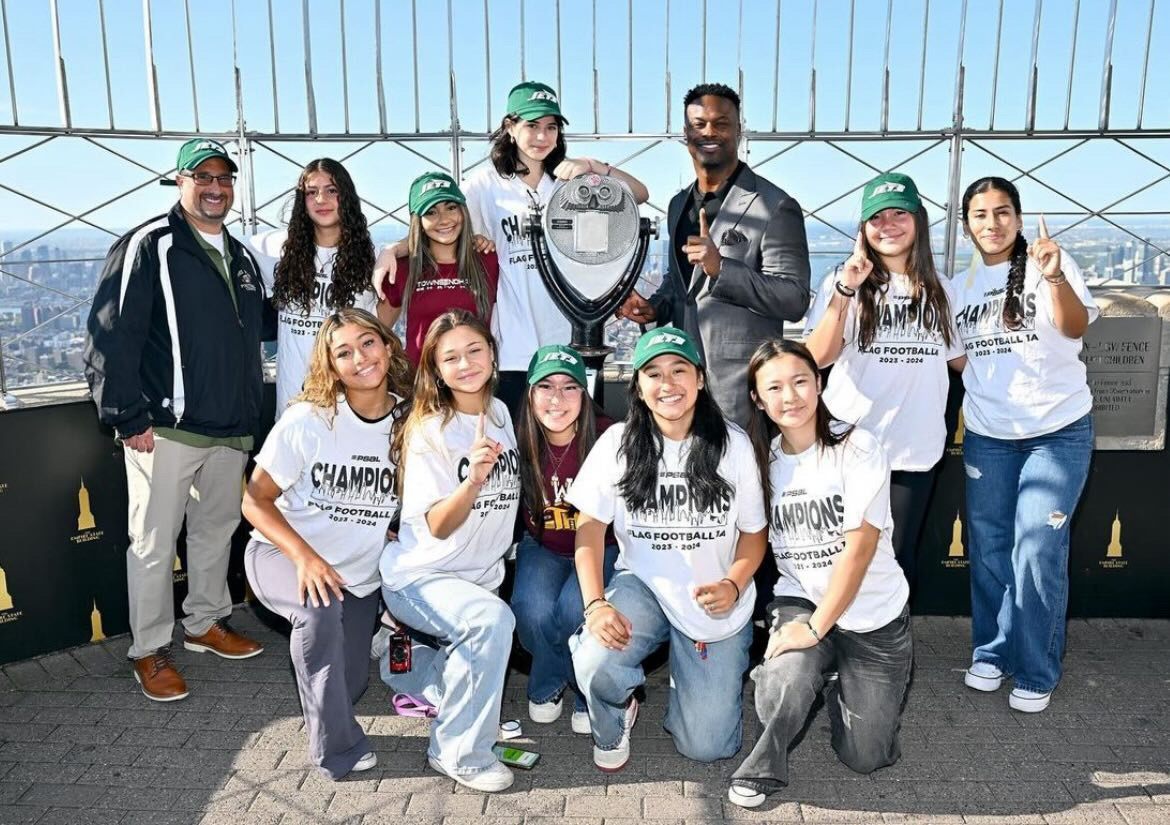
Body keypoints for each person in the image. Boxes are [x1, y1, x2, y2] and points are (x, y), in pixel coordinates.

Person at [84, 138, 270, 702]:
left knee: (216, 532)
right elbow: (111, 334)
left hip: (230, 425)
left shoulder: (240, 256)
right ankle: (148, 649)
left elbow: (260, 330)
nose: (215, 187)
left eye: (224, 178)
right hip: (163, 427)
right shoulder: (150, 244)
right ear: (180, 181)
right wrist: (125, 415)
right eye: (202, 177)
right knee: (154, 543)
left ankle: (205, 623)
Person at [568, 326, 768, 772]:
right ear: (638, 385)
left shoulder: (731, 444)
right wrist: (597, 605)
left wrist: (735, 584)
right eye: (653, 373)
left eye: (679, 370)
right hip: (644, 586)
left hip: (713, 601)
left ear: (700, 378)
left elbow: (754, 534)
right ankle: (615, 713)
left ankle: (690, 678)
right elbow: (589, 530)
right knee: (596, 660)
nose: (667, 383)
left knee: (708, 746)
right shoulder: (618, 442)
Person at [728, 339, 911, 809]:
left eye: (800, 381)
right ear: (758, 398)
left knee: (866, 756)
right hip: (802, 598)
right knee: (786, 676)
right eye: (774, 387)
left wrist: (815, 630)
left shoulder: (859, 446)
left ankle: (837, 683)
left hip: (873, 614)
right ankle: (764, 767)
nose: (790, 397)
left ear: (820, 383)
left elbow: (860, 550)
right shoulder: (760, 462)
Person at [241, 309, 411, 779]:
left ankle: (326, 688)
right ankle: (336, 751)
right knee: (317, 615)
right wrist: (305, 558)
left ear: (387, 344)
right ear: (331, 366)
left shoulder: (409, 421)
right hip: (283, 554)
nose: (360, 358)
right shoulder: (307, 421)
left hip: (356, 578)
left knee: (349, 684)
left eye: (368, 343)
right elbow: (255, 500)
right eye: (344, 352)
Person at [954, 177, 1097, 714]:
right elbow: (957, 356)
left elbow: (1075, 325)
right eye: (980, 214)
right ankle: (993, 651)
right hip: (989, 437)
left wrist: (1056, 277)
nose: (992, 223)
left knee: (1036, 550)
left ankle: (1037, 668)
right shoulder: (957, 285)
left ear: (1018, 217)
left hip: (1057, 432)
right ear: (967, 223)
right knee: (990, 549)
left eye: (1003, 212)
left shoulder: (1048, 265)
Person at [378, 309, 520, 792]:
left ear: (493, 353)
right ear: (436, 369)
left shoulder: (500, 413)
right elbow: (438, 523)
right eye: (451, 357)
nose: (466, 364)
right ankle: (458, 751)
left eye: (474, 350)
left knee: (483, 628)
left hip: (477, 578)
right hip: (423, 578)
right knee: (489, 623)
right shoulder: (431, 430)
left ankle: (415, 671)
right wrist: (474, 480)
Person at [803, 173, 964, 591]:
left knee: (894, 562)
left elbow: (964, 361)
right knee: (838, 557)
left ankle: (886, 655)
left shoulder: (942, 290)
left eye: (899, 213)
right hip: (849, 447)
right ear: (862, 228)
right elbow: (818, 357)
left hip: (913, 452)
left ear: (919, 221)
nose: (888, 224)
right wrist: (845, 288)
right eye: (876, 217)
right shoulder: (843, 283)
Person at [618, 83, 811, 428]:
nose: (709, 132)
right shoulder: (679, 204)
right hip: (683, 389)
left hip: (744, 393)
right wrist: (655, 307)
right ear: (685, 133)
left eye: (721, 123)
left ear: (739, 130)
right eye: (699, 124)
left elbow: (794, 298)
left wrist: (722, 269)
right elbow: (682, 284)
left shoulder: (775, 205)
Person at [461, 80, 649, 415]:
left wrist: (593, 165)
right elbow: (439, 223)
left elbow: (638, 193)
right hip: (514, 345)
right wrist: (393, 251)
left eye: (551, 128)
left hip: (570, 338)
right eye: (531, 126)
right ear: (510, 127)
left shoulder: (569, 181)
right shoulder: (484, 185)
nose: (541, 137)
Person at [512, 344, 618, 732]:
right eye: (546, 386)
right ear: (530, 393)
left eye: (570, 387)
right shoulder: (518, 437)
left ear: (585, 393)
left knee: (576, 609)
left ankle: (580, 687)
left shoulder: (609, 436)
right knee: (531, 609)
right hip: (544, 545)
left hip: (600, 547)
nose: (557, 398)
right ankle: (552, 680)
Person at [247, 158, 383, 412]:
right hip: (292, 408)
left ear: (347, 197)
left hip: (348, 406)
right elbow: (217, 241)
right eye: (312, 192)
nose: (321, 199)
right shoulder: (275, 249)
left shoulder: (372, 259)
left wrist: (395, 249)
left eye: (332, 190)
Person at [378, 172, 499, 366]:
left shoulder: (488, 261)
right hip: (422, 388)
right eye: (431, 212)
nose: (444, 219)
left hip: (474, 382)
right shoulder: (402, 269)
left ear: (463, 211)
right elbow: (379, 331)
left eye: (451, 208)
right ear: (418, 221)